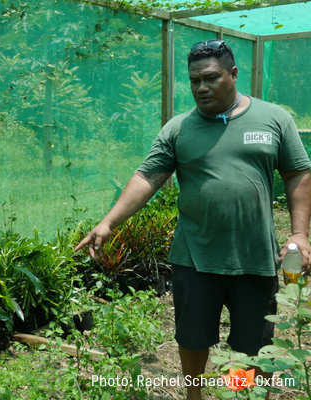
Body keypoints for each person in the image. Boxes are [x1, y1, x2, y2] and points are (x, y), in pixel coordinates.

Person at [75, 39, 311, 400]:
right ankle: (195, 396)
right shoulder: (179, 128)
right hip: (195, 256)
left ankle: (239, 393)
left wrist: (299, 233)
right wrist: (109, 222)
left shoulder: (273, 118)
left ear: (233, 74)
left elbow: (297, 173)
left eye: (211, 78)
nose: (201, 87)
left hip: (255, 255)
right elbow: (147, 178)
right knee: (193, 337)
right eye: (194, 80)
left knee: (252, 343)